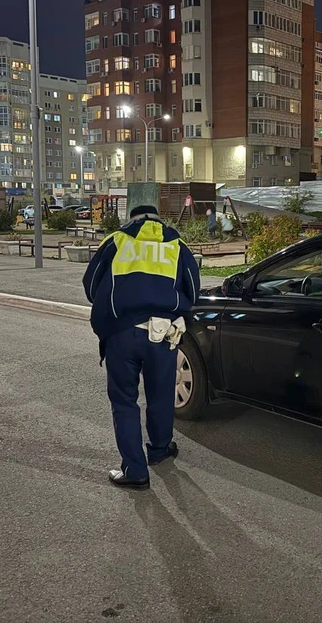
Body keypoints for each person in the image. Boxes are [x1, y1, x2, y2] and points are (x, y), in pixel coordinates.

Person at [82, 205, 201, 489]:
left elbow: (90, 286)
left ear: (132, 219)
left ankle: (135, 470)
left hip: (121, 333)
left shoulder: (116, 241)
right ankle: (159, 450)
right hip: (164, 334)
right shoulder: (177, 245)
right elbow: (193, 291)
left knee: (124, 401)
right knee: (161, 394)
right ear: (159, 220)